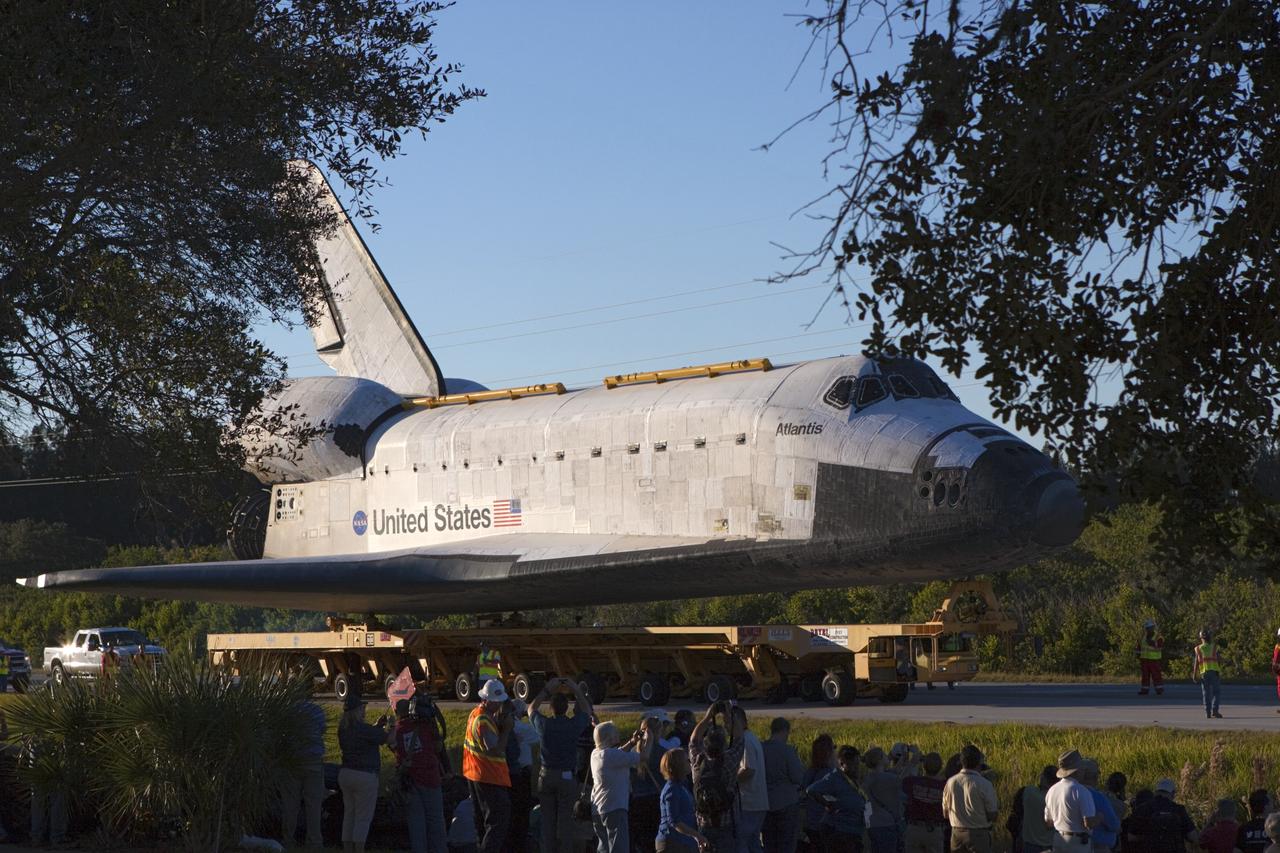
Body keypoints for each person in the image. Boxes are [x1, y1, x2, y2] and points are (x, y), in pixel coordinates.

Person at [530, 675, 595, 853]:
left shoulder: (544, 725)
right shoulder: (573, 725)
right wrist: (575, 688)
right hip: (566, 777)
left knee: (547, 822)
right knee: (566, 822)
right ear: (567, 708)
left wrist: (547, 689)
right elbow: (587, 712)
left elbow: (531, 709)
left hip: (546, 775)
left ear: (551, 708)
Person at [393, 692, 449, 853]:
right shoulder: (425, 726)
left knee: (416, 824)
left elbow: (394, 749)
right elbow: (438, 748)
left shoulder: (397, 731)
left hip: (409, 781)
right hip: (430, 778)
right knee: (436, 822)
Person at [463, 678, 514, 853]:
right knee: (497, 821)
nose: (499, 705)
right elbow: (495, 750)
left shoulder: (476, 714)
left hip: (475, 772)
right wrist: (506, 728)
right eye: (496, 702)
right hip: (488, 776)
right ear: (487, 700)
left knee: (482, 821)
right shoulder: (483, 721)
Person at [690, 701, 746, 852]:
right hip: (726, 824)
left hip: (703, 825)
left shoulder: (697, 762)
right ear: (723, 745)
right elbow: (740, 740)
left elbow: (694, 740)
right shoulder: (729, 762)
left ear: (706, 744)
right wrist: (729, 715)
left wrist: (708, 717)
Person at [337, 693, 389, 853]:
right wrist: (392, 726)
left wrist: (376, 726)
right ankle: (359, 849)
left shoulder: (343, 729)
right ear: (356, 711)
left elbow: (367, 735)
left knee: (349, 815)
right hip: (365, 776)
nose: (364, 711)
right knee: (362, 817)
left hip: (345, 774)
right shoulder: (363, 729)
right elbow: (386, 738)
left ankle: (348, 849)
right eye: (362, 709)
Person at [590, 720, 646, 852]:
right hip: (614, 808)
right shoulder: (611, 756)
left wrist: (632, 742)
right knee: (619, 848)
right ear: (610, 738)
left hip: (598, 809)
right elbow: (643, 757)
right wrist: (649, 738)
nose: (618, 736)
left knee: (603, 848)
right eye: (616, 734)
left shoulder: (596, 754)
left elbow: (619, 753)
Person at [281, 697, 327, 849]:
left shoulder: (288, 710)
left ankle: (288, 839)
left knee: (290, 805)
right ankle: (314, 841)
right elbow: (322, 729)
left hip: (293, 760)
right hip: (313, 760)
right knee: (313, 805)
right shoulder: (316, 711)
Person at [805, 744, 868, 852]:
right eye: (853, 765)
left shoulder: (854, 779)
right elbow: (811, 790)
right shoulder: (835, 777)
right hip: (840, 830)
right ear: (843, 764)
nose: (857, 768)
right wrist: (827, 804)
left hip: (854, 830)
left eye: (858, 764)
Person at [941, 744, 997, 853]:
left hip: (956, 834)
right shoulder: (985, 784)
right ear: (979, 763)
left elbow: (945, 813)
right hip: (979, 835)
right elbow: (992, 815)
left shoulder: (951, 782)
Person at [762, 717, 806, 853]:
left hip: (766, 804)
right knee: (787, 844)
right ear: (785, 731)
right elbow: (798, 777)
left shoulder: (761, 748)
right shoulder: (787, 750)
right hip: (787, 804)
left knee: (769, 844)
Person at [655, 747, 710, 852]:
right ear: (678, 765)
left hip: (684, 842)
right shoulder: (671, 790)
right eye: (686, 760)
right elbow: (674, 821)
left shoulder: (681, 787)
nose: (689, 762)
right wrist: (697, 836)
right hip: (672, 842)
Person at [1043, 750, 1098, 852]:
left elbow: (1049, 822)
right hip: (1077, 843)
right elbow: (1088, 823)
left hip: (1058, 839)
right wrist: (1099, 818)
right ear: (1077, 770)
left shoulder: (1052, 790)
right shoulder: (1082, 791)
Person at [505, 697, 540, 853]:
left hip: (509, 773)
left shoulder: (507, 726)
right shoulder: (521, 728)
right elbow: (539, 734)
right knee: (522, 811)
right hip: (521, 773)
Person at [632, 712, 670, 853]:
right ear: (658, 732)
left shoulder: (632, 752)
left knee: (641, 841)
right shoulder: (663, 753)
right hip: (655, 799)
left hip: (637, 800)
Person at [1124, 778, 1196, 852]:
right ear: (1173, 793)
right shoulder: (1179, 809)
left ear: (1156, 792)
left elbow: (1131, 837)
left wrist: (1147, 837)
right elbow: (1193, 836)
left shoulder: (1143, 808)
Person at [733, 706, 768, 853]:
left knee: (742, 842)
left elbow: (749, 769)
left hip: (749, 802)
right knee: (753, 842)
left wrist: (731, 781)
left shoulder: (745, 741)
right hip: (758, 802)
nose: (727, 726)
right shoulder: (752, 737)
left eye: (729, 722)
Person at [902, 751, 946, 853]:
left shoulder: (913, 781)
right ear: (940, 768)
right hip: (934, 830)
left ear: (923, 766)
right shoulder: (943, 785)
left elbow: (901, 779)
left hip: (914, 828)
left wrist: (913, 762)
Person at [863, 746, 905, 853]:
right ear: (880, 760)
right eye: (885, 755)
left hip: (871, 825)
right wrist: (912, 761)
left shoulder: (868, 778)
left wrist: (899, 757)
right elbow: (900, 778)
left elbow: (893, 771)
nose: (888, 756)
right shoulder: (886, 778)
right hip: (885, 825)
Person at [799, 735, 836, 853]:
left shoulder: (810, 772)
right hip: (824, 824)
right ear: (829, 753)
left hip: (810, 823)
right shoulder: (830, 775)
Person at [1007, 765, 1056, 853]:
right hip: (1049, 844)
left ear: (1043, 778)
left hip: (1029, 844)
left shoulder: (1028, 791)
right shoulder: (1055, 799)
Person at [1079, 759, 1119, 853]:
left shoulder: (1071, 792)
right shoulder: (1098, 797)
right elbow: (1113, 824)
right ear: (1095, 776)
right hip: (1097, 846)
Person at [1194, 628, 1224, 719]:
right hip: (1214, 672)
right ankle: (1215, 711)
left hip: (1204, 673)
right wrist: (1219, 669)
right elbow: (1219, 659)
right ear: (1209, 637)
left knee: (1206, 693)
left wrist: (1194, 674)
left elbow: (1196, 662)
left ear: (1201, 638)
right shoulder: (1214, 647)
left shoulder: (1198, 648)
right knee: (1216, 692)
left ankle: (1207, 712)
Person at [1136, 619, 1165, 696]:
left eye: (1150, 628)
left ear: (1153, 627)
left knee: (1156, 675)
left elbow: (1160, 647)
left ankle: (1159, 689)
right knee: (1145, 675)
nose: (1148, 629)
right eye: (1147, 628)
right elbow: (1139, 646)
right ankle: (1144, 690)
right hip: (1144, 659)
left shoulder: (1158, 637)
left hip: (1154, 660)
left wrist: (1153, 644)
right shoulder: (1143, 637)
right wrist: (1138, 654)